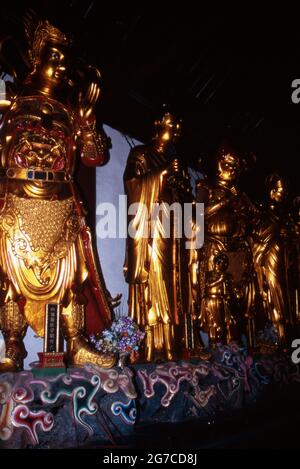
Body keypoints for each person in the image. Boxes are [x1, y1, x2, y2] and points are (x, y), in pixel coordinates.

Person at [0, 16, 118, 371]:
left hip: (61, 200)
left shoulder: (71, 109)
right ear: (37, 58)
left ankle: (77, 343)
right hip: (17, 201)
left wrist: (86, 123)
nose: (62, 65)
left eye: (67, 60)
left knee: (71, 279)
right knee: (10, 280)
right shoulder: (14, 96)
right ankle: (13, 347)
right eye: (55, 55)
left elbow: (95, 157)